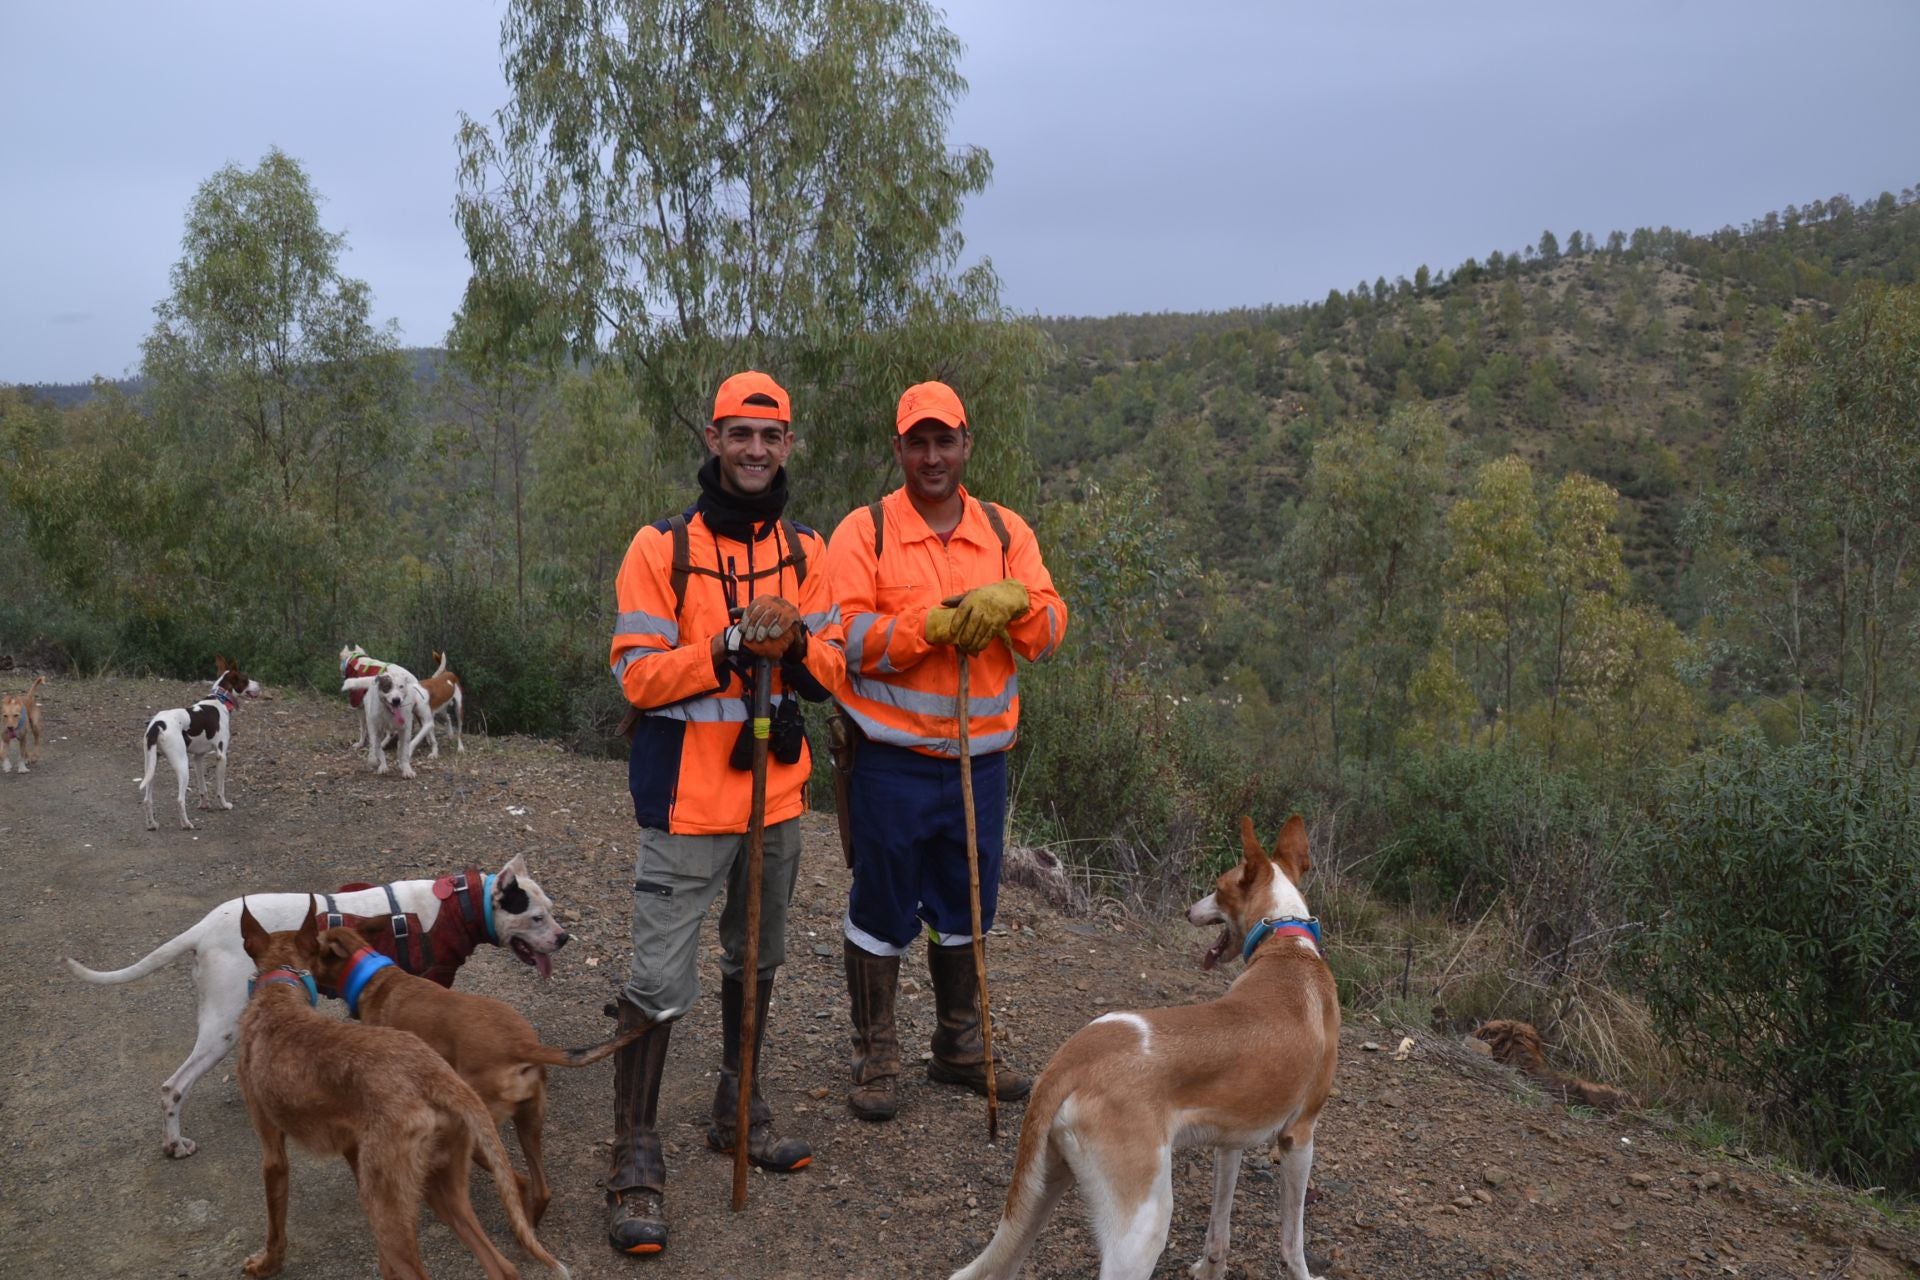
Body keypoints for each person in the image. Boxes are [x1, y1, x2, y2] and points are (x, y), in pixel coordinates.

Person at [604, 371, 844, 1255]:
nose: (754, 451)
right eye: (739, 434)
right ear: (713, 438)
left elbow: (834, 677)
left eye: (770, 436)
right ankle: (634, 1154)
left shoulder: (809, 551)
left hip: (774, 800)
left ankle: (735, 1108)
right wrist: (728, 644)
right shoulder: (659, 548)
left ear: (788, 445)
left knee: (760, 959)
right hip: (684, 805)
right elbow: (637, 675)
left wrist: (802, 645)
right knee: (659, 982)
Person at [824, 380, 1068, 1123]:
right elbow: (845, 641)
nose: (932, 456)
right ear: (897, 448)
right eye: (917, 442)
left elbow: (1053, 627)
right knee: (882, 901)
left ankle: (960, 1047)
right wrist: (926, 627)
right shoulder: (862, 532)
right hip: (890, 760)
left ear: (967, 444)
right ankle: (876, 1052)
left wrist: (1015, 605)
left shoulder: (1003, 532)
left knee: (969, 903)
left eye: (945, 440)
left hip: (978, 762)